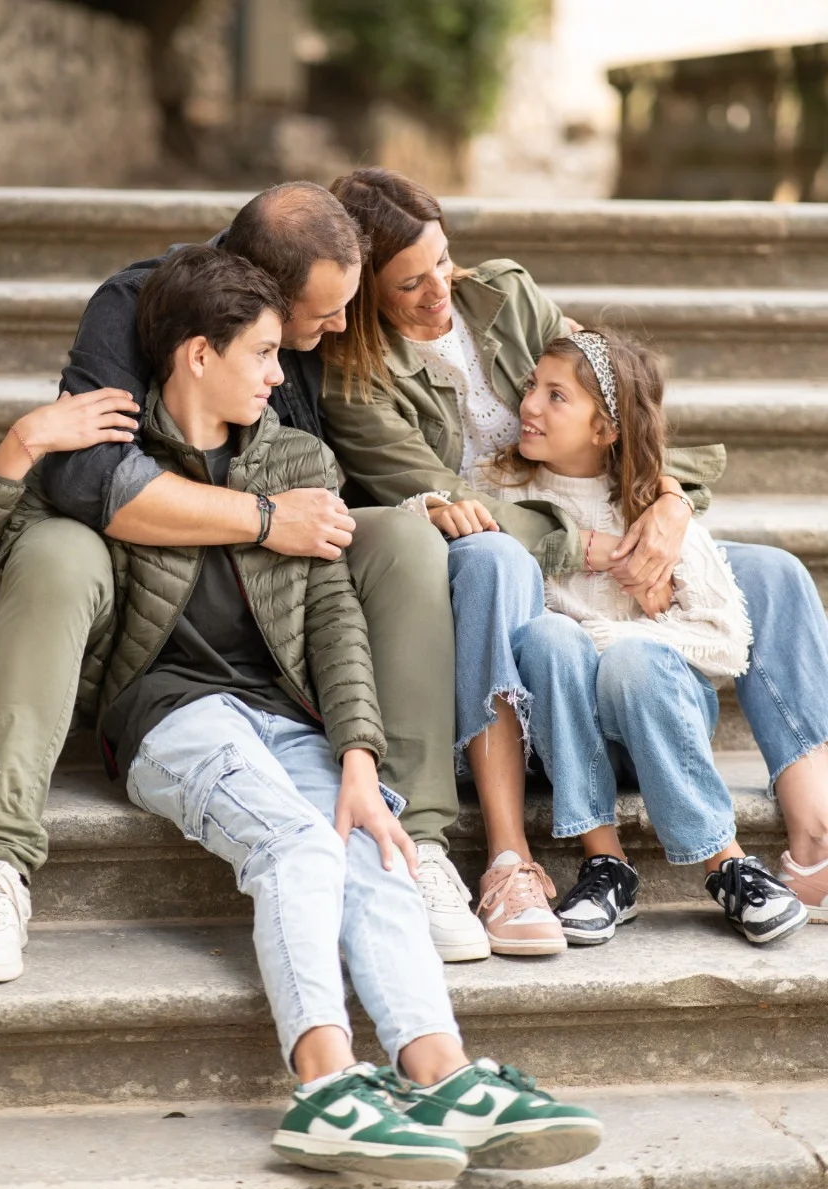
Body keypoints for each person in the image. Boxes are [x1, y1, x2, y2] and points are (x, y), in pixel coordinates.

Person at [69, 245, 607, 1178]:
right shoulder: (114, 451)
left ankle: (440, 1071)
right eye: (268, 355)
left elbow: (332, 616)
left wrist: (360, 753)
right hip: (168, 710)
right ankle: (324, 1086)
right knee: (299, 845)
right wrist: (20, 450)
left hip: (283, 710)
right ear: (201, 354)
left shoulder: (295, 453)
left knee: (379, 839)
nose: (285, 377)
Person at [0, 182, 495, 978]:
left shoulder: (310, 354)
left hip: (282, 598)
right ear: (244, 316)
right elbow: (88, 485)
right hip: (156, 621)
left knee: (406, 540)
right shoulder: (140, 311)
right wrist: (261, 517)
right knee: (56, 550)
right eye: (315, 319)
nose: (336, 332)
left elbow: (329, 560)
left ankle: (419, 839)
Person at [319, 167, 828, 945]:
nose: (439, 293)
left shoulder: (503, 297)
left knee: (776, 575)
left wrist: (667, 501)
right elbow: (456, 505)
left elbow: (615, 395)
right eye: (409, 284)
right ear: (362, 293)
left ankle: (815, 834)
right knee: (503, 565)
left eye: (443, 262)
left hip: (598, 517)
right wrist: (586, 547)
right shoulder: (356, 385)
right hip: (498, 561)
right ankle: (519, 854)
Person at [455, 328, 806, 944]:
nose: (529, 405)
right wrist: (601, 634)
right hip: (559, 733)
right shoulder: (497, 491)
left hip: (654, 717)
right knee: (547, 640)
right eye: (532, 386)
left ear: (606, 430)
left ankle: (728, 865)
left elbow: (726, 639)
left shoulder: (652, 508)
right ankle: (605, 865)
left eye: (556, 396)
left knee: (634, 657)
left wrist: (619, 637)